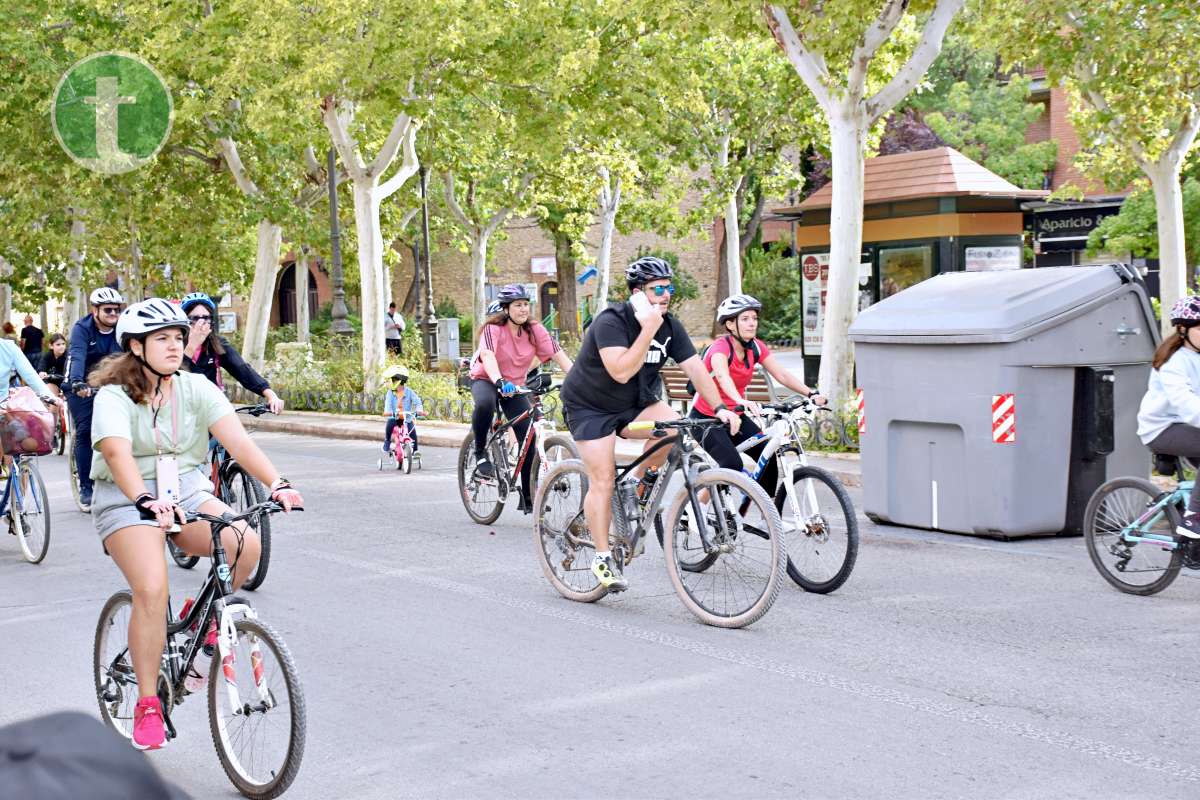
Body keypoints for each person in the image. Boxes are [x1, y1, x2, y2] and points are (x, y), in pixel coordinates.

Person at [89, 298, 303, 751]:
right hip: (127, 496)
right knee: (151, 589)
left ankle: (203, 627)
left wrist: (278, 483)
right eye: (161, 339)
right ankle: (149, 703)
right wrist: (144, 497)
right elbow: (115, 454)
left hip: (184, 487)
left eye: (178, 338)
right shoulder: (114, 395)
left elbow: (239, 443)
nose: (174, 346)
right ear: (135, 346)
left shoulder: (196, 387)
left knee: (245, 544)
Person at [559, 256, 739, 591]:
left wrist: (720, 407)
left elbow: (696, 369)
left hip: (634, 402)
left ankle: (636, 482)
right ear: (638, 294)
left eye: (669, 288)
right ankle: (602, 557)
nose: (666, 294)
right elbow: (622, 370)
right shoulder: (611, 321)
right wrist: (648, 329)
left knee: (677, 426)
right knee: (603, 478)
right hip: (590, 406)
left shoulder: (671, 326)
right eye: (658, 289)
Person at [689, 294, 826, 496]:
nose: (752, 323)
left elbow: (782, 374)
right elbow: (722, 375)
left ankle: (767, 518)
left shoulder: (756, 347)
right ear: (730, 324)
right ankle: (697, 511)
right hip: (706, 418)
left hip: (736, 417)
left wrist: (811, 393)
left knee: (767, 457)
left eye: (754, 318)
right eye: (745, 319)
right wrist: (739, 400)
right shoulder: (720, 348)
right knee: (731, 464)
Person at [467, 284, 573, 513]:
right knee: (485, 403)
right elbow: (487, 355)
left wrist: (577, 379)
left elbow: (557, 352)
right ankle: (480, 452)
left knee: (529, 438)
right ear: (506, 309)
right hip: (487, 378)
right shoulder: (492, 329)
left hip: (514, 385)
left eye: (526, 304)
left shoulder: (534, 329)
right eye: (518, 305)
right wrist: (497, 381)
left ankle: (528, 496)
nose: (523, 309)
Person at [1138, 295, 1200, 542]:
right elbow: (1187, 405)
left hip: (1190, 427)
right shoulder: (1174, 363)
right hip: (1162, 428)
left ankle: (1185, 527)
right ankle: (1194, 517)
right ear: (1183, 330)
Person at [67, 287, 125, 511]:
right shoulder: (83, 329)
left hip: (114, 383)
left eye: (117, 310)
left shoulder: (122, 329)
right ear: (95, 311)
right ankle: (86, 486)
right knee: (85, 430)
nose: (113, 314)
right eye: (108, 310)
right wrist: (77, 382)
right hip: (83, 385)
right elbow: (77, 356)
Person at [179, 293, 284, 414]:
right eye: (195, 318)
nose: (201, 323)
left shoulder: (217, 344)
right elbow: (173, 376)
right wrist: (192, 346)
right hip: (183, 411)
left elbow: (242, 369)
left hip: (211, 410)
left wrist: (271, 395)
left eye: (206, 318)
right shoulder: (175, 343)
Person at [381, 365, 424, 455]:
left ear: (397, 381)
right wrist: (388, 412)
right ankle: (387, 441)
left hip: (406, 419)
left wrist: (419, 410)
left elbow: (417, 401)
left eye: (392, 380)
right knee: (389, 425)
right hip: (394, 418)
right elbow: (388, 405)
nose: (390, 382)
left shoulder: (409, 392)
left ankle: (415, 451)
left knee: (413, 432)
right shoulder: (390, 393)